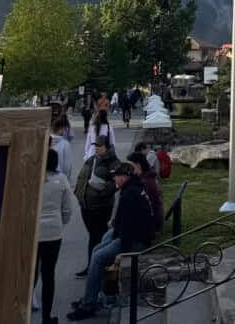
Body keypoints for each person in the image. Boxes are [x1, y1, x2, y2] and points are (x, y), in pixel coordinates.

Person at [67, 162, 155, 320]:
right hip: (133, 234)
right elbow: (125, 221)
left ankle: (88, 305)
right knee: (98, 247)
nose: (114, 178)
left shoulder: (129, 194)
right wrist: (114, 231)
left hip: (136, 240)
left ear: (125, 177)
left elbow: (128, 227)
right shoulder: (133, 188)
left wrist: (122, 252)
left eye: (117, 176)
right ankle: (96, 295)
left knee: (98, 257)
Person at [34, 146, 73, 324]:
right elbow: (68, 208)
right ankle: (46, 317)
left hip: (34, 233)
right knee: (48, 275)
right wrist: (60, 223)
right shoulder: (61, 180)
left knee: (31, 274)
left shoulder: (34, 178)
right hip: (53, 233)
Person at [74, 134, 120, 274]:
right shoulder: (91, 159)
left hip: (101, 207)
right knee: (94, 236)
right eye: (96, 146)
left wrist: (102, 193)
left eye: (100, 146)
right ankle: (95, 266)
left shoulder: (113, 162)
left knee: (96, 237)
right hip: (86, 206)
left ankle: (94, 267)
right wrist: (78, 193)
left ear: (107, 147)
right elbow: (82, 177)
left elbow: (117, 183)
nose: (97, 148)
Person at [128, 152, 164, 234]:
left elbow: (142, 208)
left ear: (138, 165)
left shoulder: (146, 182)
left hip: (151, 224)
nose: (128, 168)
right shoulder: (146, 176)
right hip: (153, 220)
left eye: (130, 165)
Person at [50, 115, 73, 182]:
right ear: (60, 129)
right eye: (64, 129)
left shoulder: (46, 141)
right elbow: (67, 167)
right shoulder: (65, 144)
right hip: (59, 179)